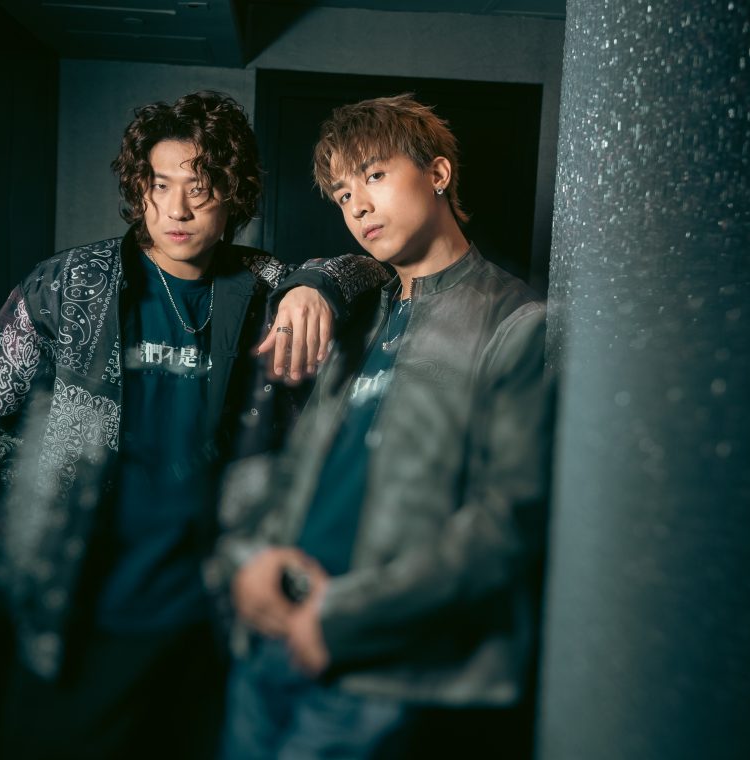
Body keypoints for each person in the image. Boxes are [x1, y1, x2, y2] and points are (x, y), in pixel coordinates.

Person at [0, 90, 388, 759]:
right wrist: (16, 553)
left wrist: (315, 286)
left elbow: (372, 270)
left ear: (231, 194)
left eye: (199, 189)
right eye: (159, 185)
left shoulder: (267, 288)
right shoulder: (68, 285)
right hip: (83, 617)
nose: (176, 210)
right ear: (139, 189)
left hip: (210, 622)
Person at [209, 93, 556, 759]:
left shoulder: (516, 323)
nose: (359, 207)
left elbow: (507, 523)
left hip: (375, 667)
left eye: (374, 175)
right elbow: (300, 467)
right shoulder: (360, 314)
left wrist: (340, 619)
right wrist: (253, 560)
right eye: (343, 194)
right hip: (274, 638)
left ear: (438, 173)